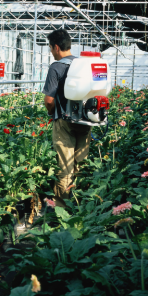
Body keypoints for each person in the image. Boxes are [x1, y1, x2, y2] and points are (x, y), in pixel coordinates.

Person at [42, 29, 92, 208]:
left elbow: (49, 100)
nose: (51, 51)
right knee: (81, 162)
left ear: (56, 47)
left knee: (65, 166)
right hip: (86, 121)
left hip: (64, 121)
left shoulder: (56, 67)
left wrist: (52, 112)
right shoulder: (85, 65)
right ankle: (82, 205)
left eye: (50, 48)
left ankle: (62, 209)